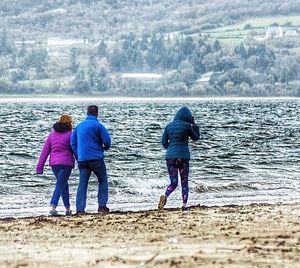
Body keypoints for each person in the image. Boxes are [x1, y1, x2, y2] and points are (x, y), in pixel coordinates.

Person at [70, 105, 111, 215]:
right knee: (102, 180)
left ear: (87, 113)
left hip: (83, 159)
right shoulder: (98, 126)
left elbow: (72, 143)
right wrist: (103, 148)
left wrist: (78, 155)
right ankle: (102, 206)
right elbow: (107, 141)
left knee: (82, 184)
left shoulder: (79, 126)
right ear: (97, 113)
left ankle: (80, 209)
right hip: (96, 157)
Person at [158, 107, 200, 211]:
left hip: (170, 157)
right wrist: (195, 125)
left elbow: (164, 143)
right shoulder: (187, 126)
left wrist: (171, 150)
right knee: (184, 182)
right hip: (183, 157)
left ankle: (165, 195)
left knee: (174, 183)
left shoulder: (168, 126)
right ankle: (184, 206)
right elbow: (196, 137)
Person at [36, 115, 75, 216]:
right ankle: (52, 208)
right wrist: (82, 160)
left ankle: (68, 209)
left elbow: (45, 151)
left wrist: (39, 167)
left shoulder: (52, 135)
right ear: (69, 123)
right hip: (66, 164)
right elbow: (74, 149)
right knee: (60, 185)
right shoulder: (70, 134)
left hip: (54, 165)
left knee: (63, 185)